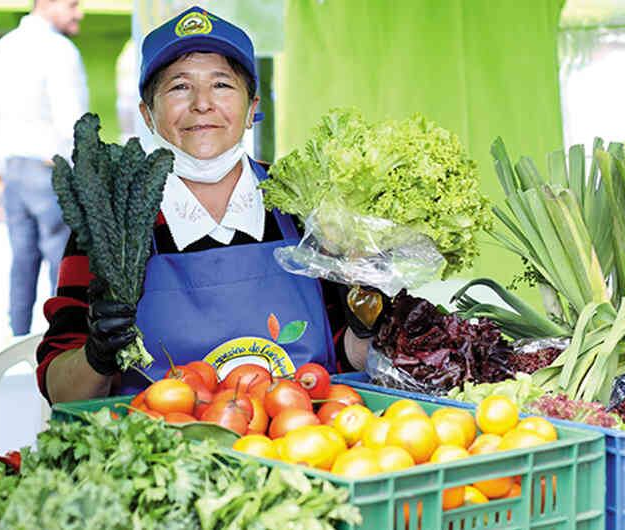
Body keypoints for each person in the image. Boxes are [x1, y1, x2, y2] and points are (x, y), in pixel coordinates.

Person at [37, 6, 379, 404]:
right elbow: (60, 391)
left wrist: (366, 325)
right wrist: (96, 356)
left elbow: (349, 359)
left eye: (222, 85)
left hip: (302, 435)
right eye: (179, 87)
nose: (202, 103)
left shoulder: (304, 208)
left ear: (252, 108)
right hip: (160, 441)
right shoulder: (113, 222)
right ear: (148, 114)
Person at [0, 0, 87, 336]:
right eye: (72, 4)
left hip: (13, 169)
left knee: (22, 262)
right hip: (48, 169)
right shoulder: (59, 50)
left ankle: (16, 341)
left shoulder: (3, 48)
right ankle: (62, 344)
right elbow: (72, 121)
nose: (79, 13)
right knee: (65, 263)